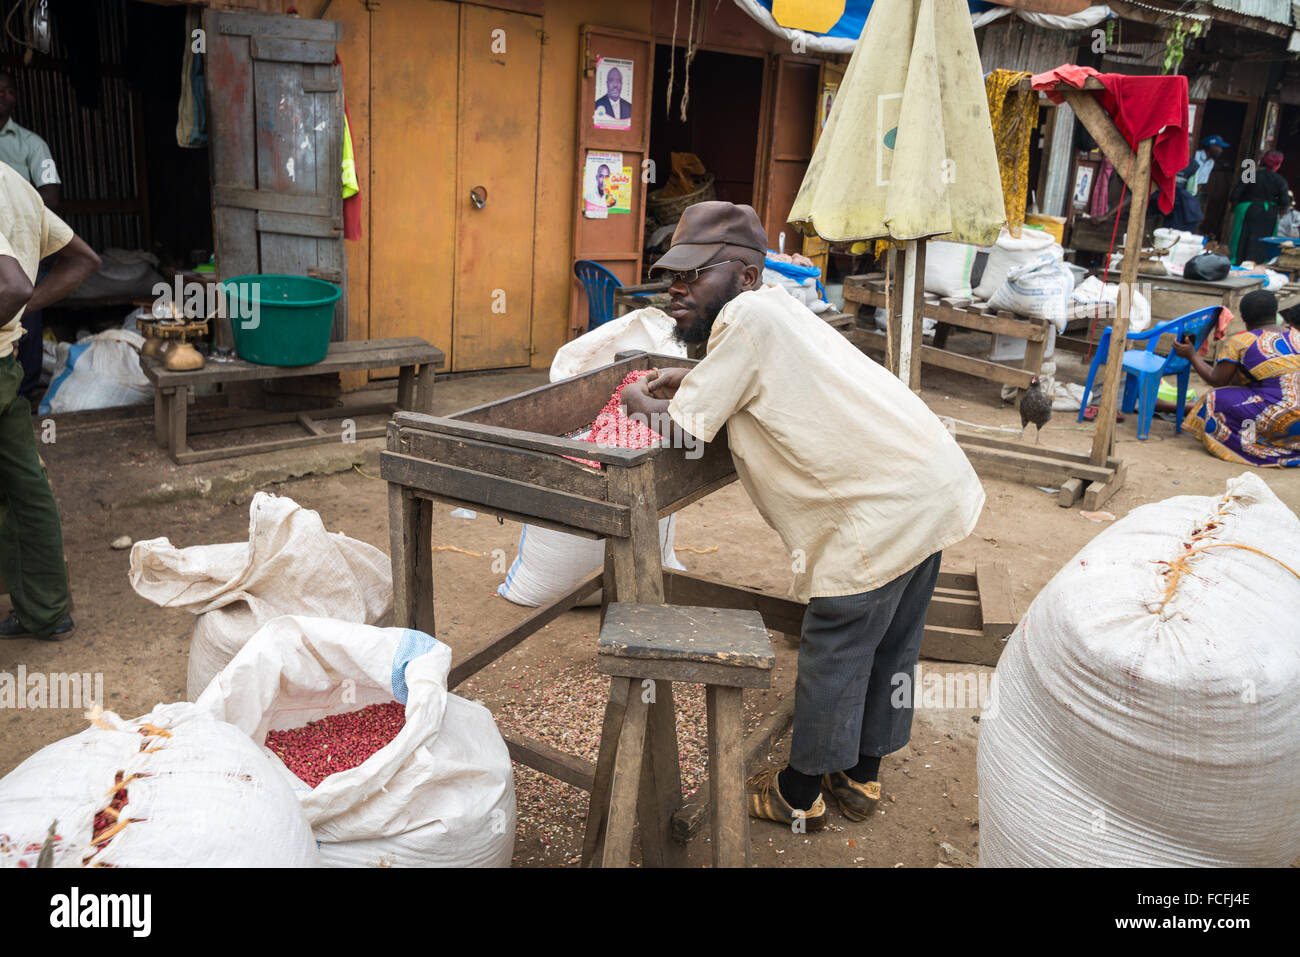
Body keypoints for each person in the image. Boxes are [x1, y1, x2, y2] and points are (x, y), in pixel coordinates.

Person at [620, 202, 985, 830]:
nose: (677, 290)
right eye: (673, 276)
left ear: (745, 276)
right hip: (931, 485)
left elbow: (683, 435)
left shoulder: (746, 316)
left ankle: (798, 794)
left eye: (695, 275)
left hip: (882, 511)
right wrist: (690, 374)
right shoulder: (774, 307)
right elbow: (749, 377)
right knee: (891, 642)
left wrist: (635, 399)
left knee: (836, 645)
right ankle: (862, 778)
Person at [0, 162, 99, 640]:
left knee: (21, 488)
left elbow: (12, 284)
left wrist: (16, 305)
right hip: (7, 366)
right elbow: (84, 259)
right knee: (24, 487)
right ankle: (46, 611)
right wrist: (17, 317)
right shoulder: (14, 182)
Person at [1174, 289, 1300, 468]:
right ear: (1275, 313)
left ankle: (1251, 441)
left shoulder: (1240, 342)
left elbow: (1217, 380)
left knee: (1213, 399)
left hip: (1280, 420)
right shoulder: (1296, 335)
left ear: (1243, 317)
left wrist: (1192, 355)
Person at [1, 67, 63, 398]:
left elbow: (50, 196)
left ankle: (24, 395)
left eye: (8, 89)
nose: (2, 95)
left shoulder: (31, 145)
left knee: (27, 318)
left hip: (23, 250)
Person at [1228, 150, 1290, 264]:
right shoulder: (1280, 180)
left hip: (1248, 210)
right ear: (1278, 164)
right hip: (1269, 213)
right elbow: (1284, 201)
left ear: (1262, 161)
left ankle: (1237, 261)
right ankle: (1261, 264)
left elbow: (1236, 194)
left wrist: (1236, 206)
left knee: (1242, 237)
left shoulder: (1251, 174)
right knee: (1264, 241)